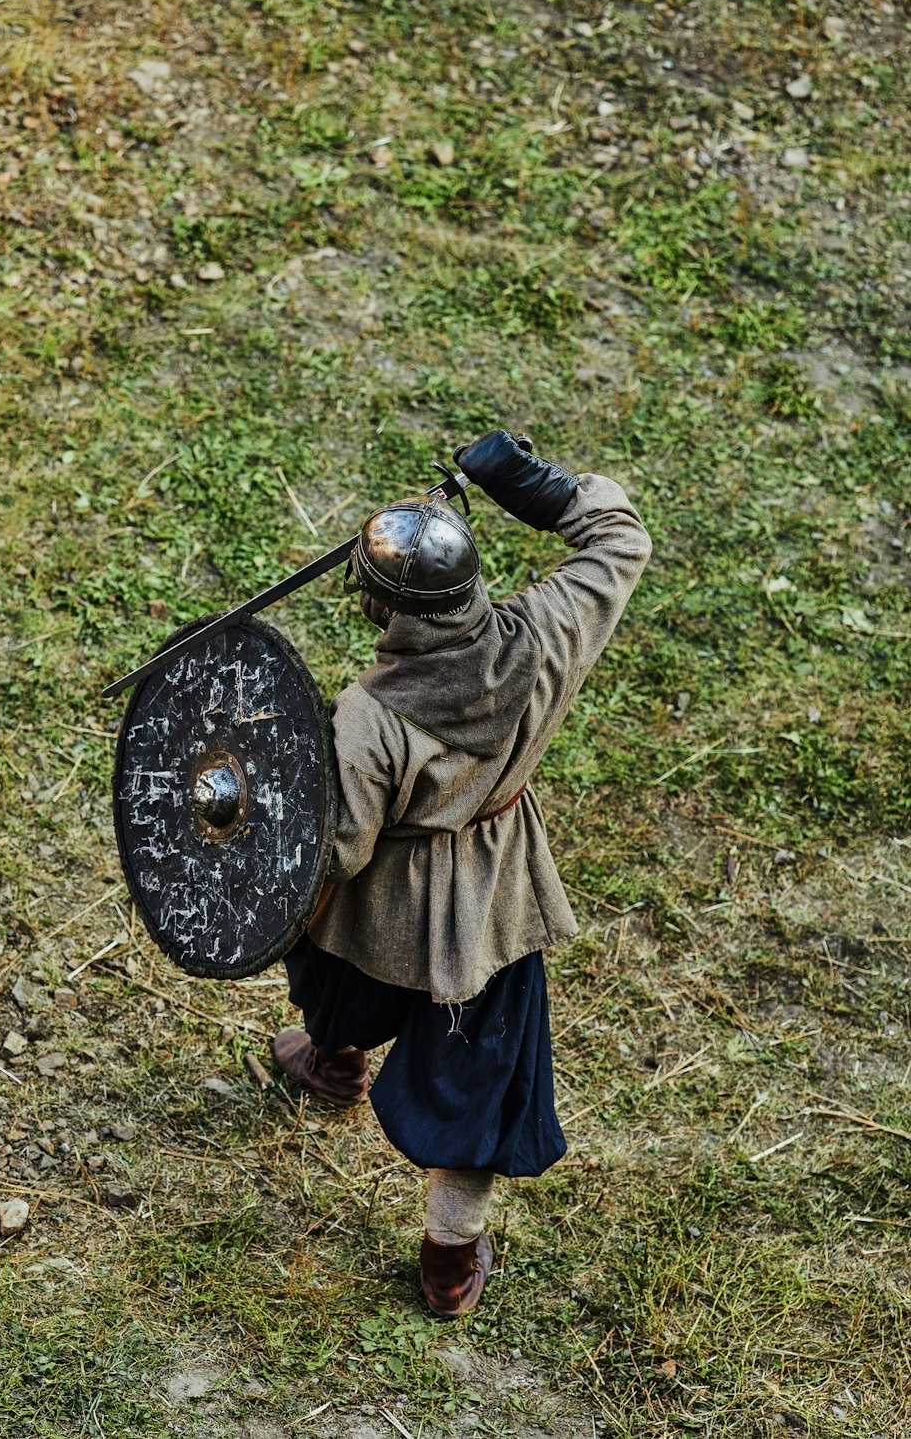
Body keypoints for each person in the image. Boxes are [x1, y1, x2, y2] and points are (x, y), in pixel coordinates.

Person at [271, 429, 652, 1316]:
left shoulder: (370, 719)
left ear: (380, 607)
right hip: (496, 896)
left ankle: (337, 1066)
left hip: (387, 902)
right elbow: (619, 537)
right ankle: (448, 1254)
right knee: (476, 1056)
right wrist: (530, 483)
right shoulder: (550, 630)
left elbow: (338, 852)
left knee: (342, 968)